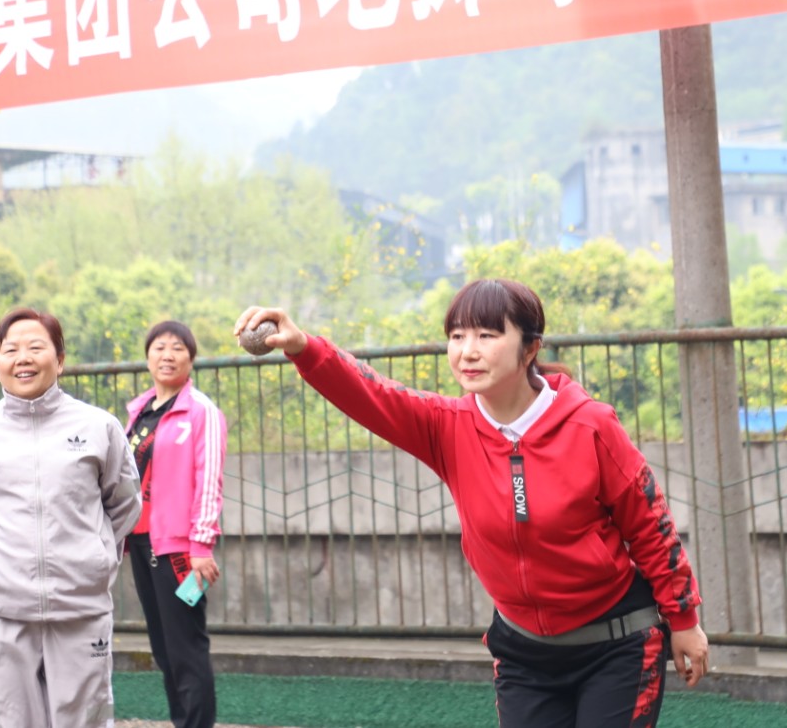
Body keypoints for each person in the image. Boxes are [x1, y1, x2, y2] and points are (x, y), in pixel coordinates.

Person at [235, 278, 709, 728]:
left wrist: (684, 620)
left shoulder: (591, 426)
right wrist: (303, 346)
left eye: (487, 335)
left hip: (616, 644)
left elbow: (651, 526)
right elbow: (371, 393)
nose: (468, 351)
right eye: (457, 336)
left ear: (530, 348)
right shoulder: (447, 426)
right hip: (525, 654)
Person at [0, 307, 142, 728]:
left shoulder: (98, 427)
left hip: (80, 612)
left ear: (60, 360)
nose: (22, 358)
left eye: (35, 347)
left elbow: (123, 503)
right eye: (10, 349)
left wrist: (94, 556)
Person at [123, 320, 228, 728]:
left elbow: (209, 481)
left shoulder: (201, 411)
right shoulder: (140, 413)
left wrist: (202, 546)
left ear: (191, 358)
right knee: (164, 650)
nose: (167, 355)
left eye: (177, 348)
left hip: (181, 553)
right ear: (148, 357)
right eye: (159, 347)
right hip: (141, 545)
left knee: (186, 648)